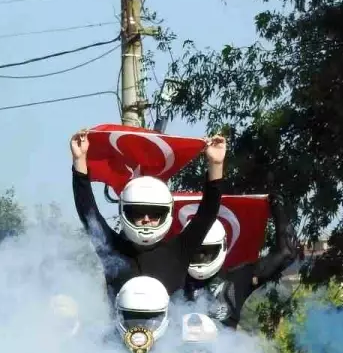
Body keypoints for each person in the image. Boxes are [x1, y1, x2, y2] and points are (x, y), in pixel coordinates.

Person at [70, 129, 227, 304]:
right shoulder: (112, 248)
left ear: (167, 213)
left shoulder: (180, 250)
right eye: (137, 212)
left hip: (171, 331)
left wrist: (216, 164)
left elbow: (208, 213)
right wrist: (80, 160)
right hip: (118, 331)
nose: (146, 219)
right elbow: (88, 213)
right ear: (124, 212)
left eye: (155, 214)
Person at [181, 195, 300, 328]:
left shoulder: (239, 278)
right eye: (196, 251)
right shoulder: (171, 275)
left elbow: (287, 252)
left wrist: (277, 206)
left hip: (226, 348)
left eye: (207, 251)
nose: (201, 257)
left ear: (223, 246)